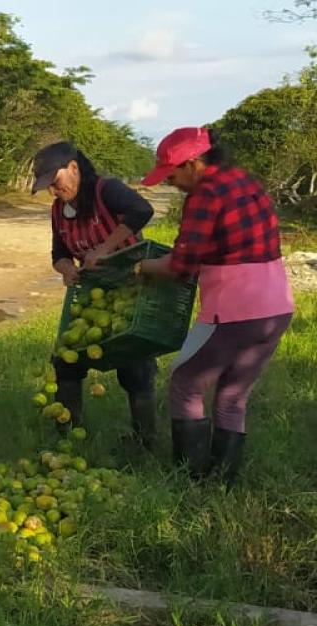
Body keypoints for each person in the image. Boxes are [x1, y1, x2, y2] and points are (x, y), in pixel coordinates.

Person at [138, 127, 293, 485]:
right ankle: (222, 482)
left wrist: (141, 267)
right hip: (276, 306)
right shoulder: (245, 180)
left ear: (193, 163)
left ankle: (189, 477)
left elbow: (181, 266)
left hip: (235, 309)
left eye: (173, 175)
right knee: (233, 395)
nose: (172, 183)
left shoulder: (204, 195)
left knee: (186, 384)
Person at [32, 141, 158, 444]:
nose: (53, 191)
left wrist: (104, 249)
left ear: (73, 168)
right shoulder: (58, 211)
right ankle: (68, 435)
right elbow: (58, 253)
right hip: (93, 298)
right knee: (67, 360)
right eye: (48, 186)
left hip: (131, 290)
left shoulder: (106, 190)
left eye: (55, 181)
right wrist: (66, 269)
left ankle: (144, 441)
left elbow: (142, 210)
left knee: (134, 365)